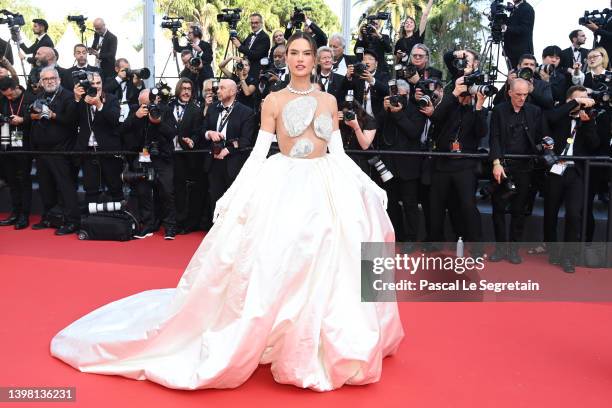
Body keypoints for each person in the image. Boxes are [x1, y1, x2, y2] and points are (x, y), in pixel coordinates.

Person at [50, 32, 403, 392]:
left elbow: (339, 153)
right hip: (284, 182)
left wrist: (368, 185)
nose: (299, 59)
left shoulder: (329, 100)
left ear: (315, 59)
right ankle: (279, 332)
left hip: (326, 183)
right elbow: (257, 152)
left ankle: (320, 338)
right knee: (278, 260)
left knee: (334, 252)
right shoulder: (273, 101)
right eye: (293, 53)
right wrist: (234, 193)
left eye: (306, 53)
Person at [503, 0, 535, 68]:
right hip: (511, 52)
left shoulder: (527, 8)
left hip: (522, 52)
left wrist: (507, 28)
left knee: (522, 77)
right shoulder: (514, 9)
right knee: (513, 76)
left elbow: (525, 29)